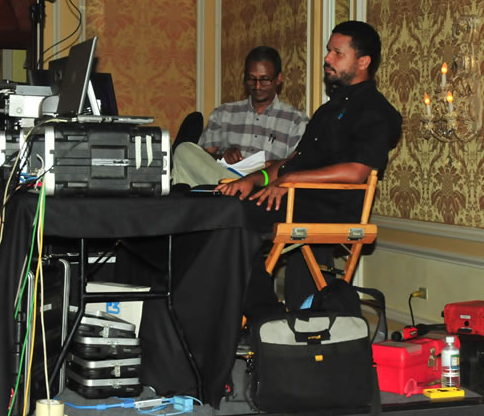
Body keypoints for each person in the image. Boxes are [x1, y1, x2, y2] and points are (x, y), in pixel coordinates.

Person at [217, 21, 403, 316]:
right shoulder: (329, 109)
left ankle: (260, 316)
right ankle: (247, 312)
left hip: (328, 206)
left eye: (337, 53)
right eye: (329, 51)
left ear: (363, 62)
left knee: (229, 217)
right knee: (218, 206)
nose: (327, 58)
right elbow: (293, 161)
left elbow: (356, 172)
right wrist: (255, 179)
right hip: (297, 198)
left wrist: (290, 180)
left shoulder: (377, 112)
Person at [172, 46, 308, 186]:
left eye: (265, 80)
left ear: (278, 79)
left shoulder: (296, 121)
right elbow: (202, 158)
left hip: (263, 187)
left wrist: (270, 166)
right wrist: (222, 157)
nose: (257, 86)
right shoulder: (223, 113)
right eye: (251, 79)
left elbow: (298, 165)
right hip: (222, 180)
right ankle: (233, 185)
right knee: (184, 149)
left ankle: (239, 186)